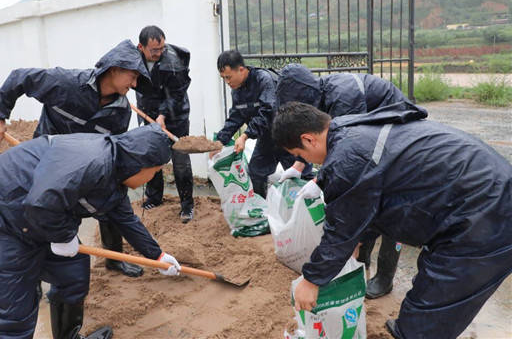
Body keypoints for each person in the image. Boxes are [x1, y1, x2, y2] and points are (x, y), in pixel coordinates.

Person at [272, 101, 512, 339]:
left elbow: (341, 227)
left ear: (308, 139)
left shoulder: (348, 159)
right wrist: (358, 239)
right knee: (428, 285)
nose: (308, 162)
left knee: (432, 311)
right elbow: (370, 199)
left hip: (487, 214)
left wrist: (311, 280)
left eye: (300, 155)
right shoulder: (349, 129)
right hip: (478, 195)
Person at [0, 124, 182, 339]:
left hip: (38, 219)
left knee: (73, 272)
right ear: (140, 164)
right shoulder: (93, 162)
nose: (152, 178)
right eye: (155, 171)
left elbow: (126, 220)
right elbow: (39, 203)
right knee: (13, 313)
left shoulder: (115, 172)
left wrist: (157, 256)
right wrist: (63, 238)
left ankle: (69, 336)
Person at [0, 39, 147, 278]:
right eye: (132, 77)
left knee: (112, 201)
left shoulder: (120, 110)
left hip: (86, 166)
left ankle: (114, 260)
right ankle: (35, 274)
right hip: (48, 163)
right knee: (40, 214)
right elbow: (20, 77)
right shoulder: (66, 84)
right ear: (115, 69)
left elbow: (113, 147)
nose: (134, 84)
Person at [276, 63, 411, 299]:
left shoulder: (344, 97)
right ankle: (362, 257)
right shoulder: (317, 97)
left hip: (396, 136)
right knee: (365, 204)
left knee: (390, 204)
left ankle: (385, 276)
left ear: (307, 95)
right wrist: (299, 165)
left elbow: (349, 153)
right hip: (371, 140)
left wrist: (319, 179)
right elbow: (314, 140)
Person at [212, 50, 312, 198]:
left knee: (301, 174)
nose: (227, 82)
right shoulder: (237, 90)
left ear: (241, 69)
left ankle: (313, 206)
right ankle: (260, 207)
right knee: (256, 172)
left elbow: (268, 112)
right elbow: (236, 117)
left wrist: (245, 136)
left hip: (287, 135)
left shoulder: (264, 80)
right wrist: (220, 140)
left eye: (229, 77)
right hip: (266, 137)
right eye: (223, 78)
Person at [135, 25, 195, 223]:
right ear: (141, 47)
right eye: (154, 50)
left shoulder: (173, 62)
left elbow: (177, 94)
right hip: (147, 113)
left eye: (162, 48)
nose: (159, 53)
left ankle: (187, 205)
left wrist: (162, 115)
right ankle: (154, 197)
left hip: (176, 115)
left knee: (180, 159)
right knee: (152, 156)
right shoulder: (133, 59)